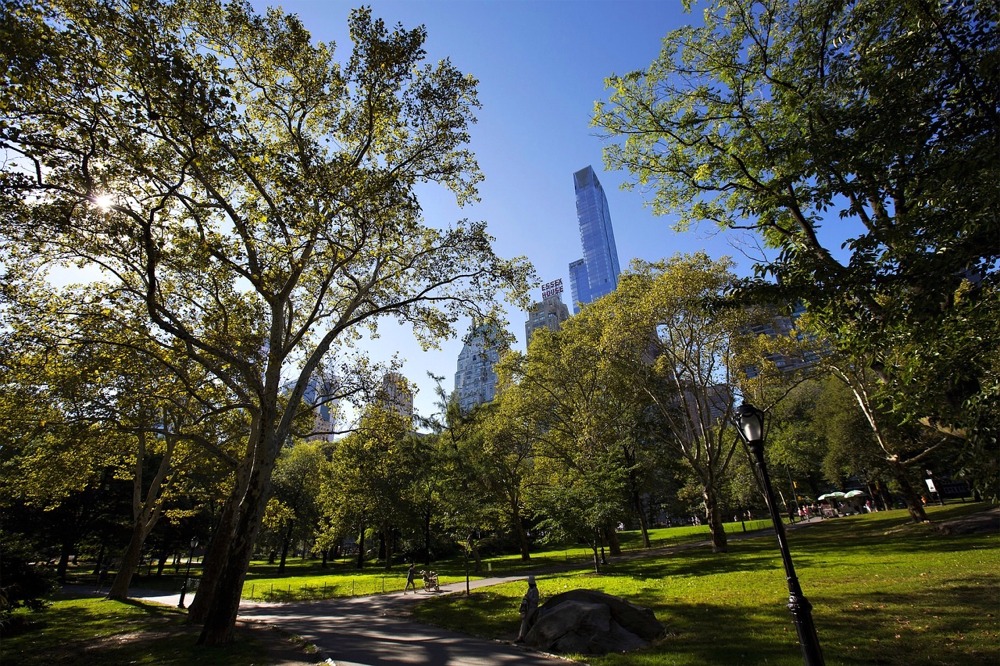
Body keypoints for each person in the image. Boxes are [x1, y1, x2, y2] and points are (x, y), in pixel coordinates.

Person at [515, 576, 539, 643]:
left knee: (525, 620)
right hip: (528, 607)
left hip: (532, 608)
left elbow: (536, 600)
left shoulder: (535, 590)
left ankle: (522, 636)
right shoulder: (529, 589)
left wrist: (529, 598)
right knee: (524, 620)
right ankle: (520, 635)